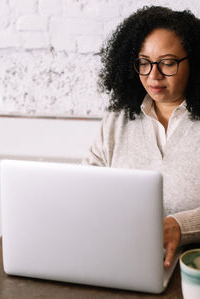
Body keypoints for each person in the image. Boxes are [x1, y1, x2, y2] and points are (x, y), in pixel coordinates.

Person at [84, 6, 200, 268]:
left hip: (192, 265)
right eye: (144, 63)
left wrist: (180, 226)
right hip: (124, 257)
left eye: (168, 63)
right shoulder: (117, 121)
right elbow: (85, 189)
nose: (153, 75)